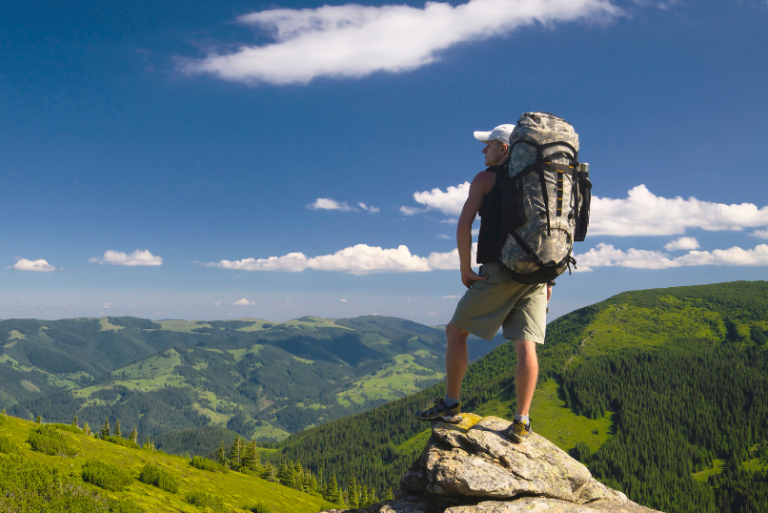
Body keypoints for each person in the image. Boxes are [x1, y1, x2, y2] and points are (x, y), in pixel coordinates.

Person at [415, 124, 552, 443]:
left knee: (455, 331)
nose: (483, 150)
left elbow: (464, 223)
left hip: (500, 268)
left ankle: (450, 406)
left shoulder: (485, 178)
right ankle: (521, 421)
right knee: (525, 343)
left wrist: (465, 268)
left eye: (488, 144)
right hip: (536, 272)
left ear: (504, 149)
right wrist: (549, 280)